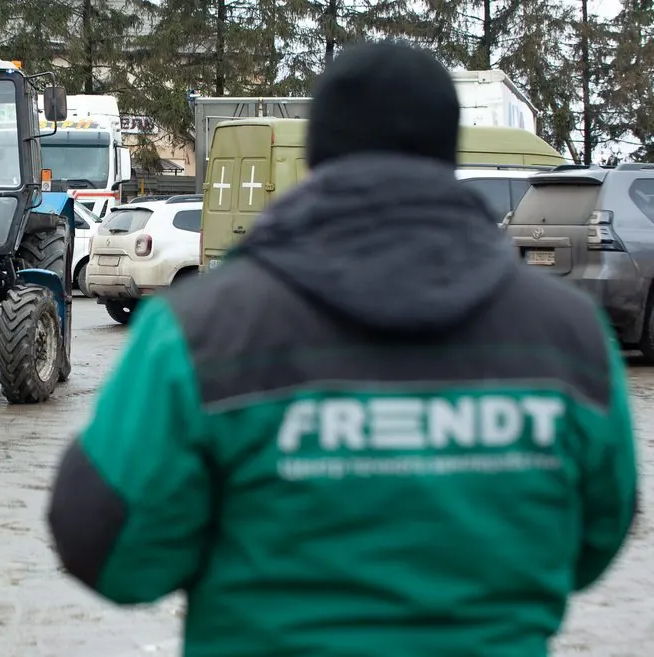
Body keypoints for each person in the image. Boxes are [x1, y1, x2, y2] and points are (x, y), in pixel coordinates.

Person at [45, 41, 638, 657]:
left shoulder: (202, 331)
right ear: (446, 150)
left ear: (320, 152)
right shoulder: (568, 336)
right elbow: (595, 539)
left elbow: (105, 547)